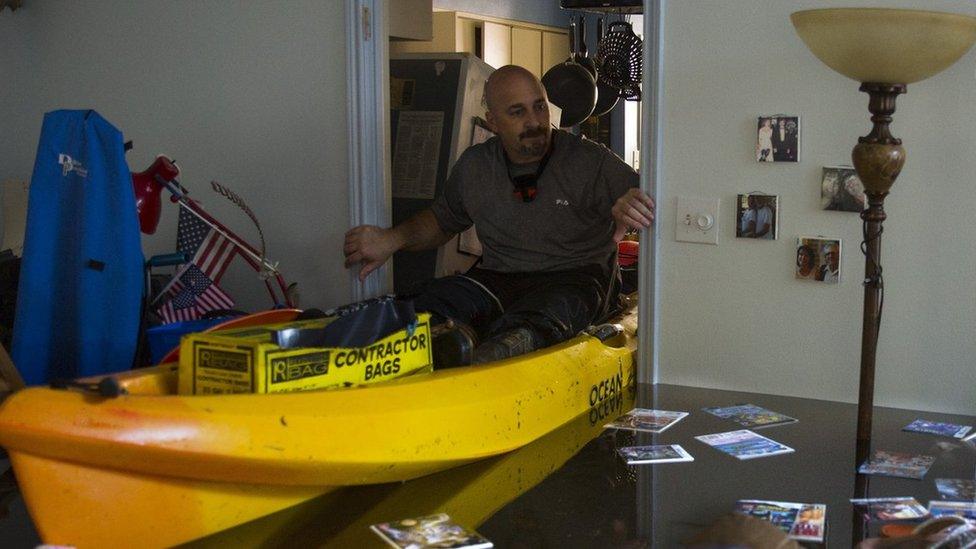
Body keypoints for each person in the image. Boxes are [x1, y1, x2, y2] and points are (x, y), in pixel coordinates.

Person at [343, 65, 654, 365]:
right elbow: (442, 221)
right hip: (498, 279)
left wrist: (632, 202)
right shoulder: (476, 166)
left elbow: (650, 197)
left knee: (539, 320)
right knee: (430, 305)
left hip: (575, 279)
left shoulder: (590, 160)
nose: (535, 121)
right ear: (492, 121)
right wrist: (391, 239)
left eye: (539, 107)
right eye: (517, 112)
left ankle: (488, 356)